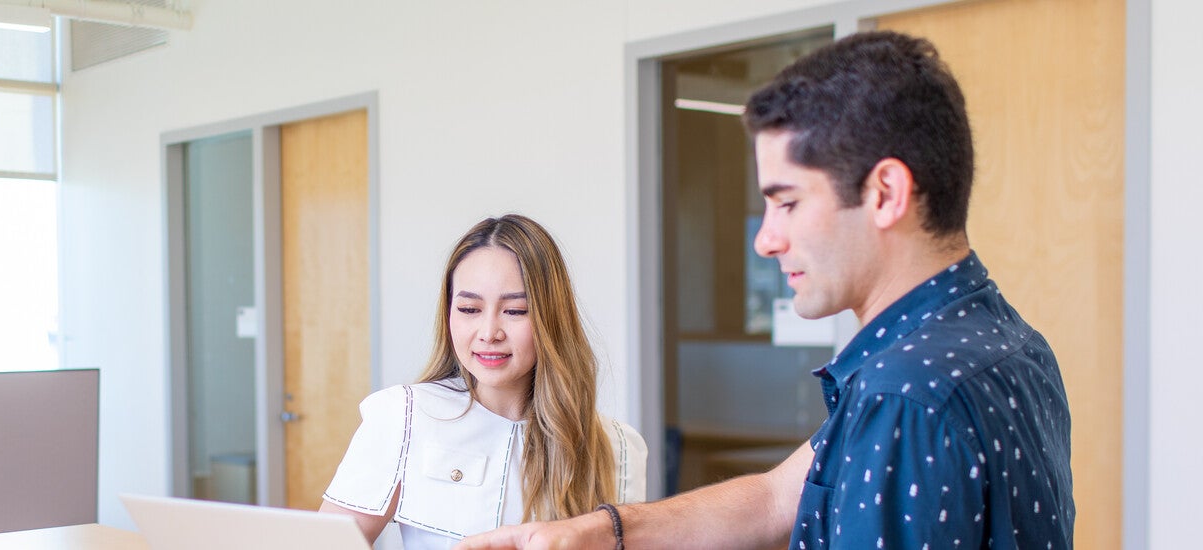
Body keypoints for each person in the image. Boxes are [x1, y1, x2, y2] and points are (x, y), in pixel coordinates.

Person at [456, 31, 1074, 550]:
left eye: (787, 202)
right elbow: (781, 495)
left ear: (885, 194)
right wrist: (601, 531)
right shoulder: (1005, 341)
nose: (766, 240)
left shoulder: (903, 396)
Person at [320, 214, 649, 550]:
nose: (489, 333)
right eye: (469, 309)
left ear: (552, 318)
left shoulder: (618, 447)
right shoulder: (402, 417)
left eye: (516, 311)